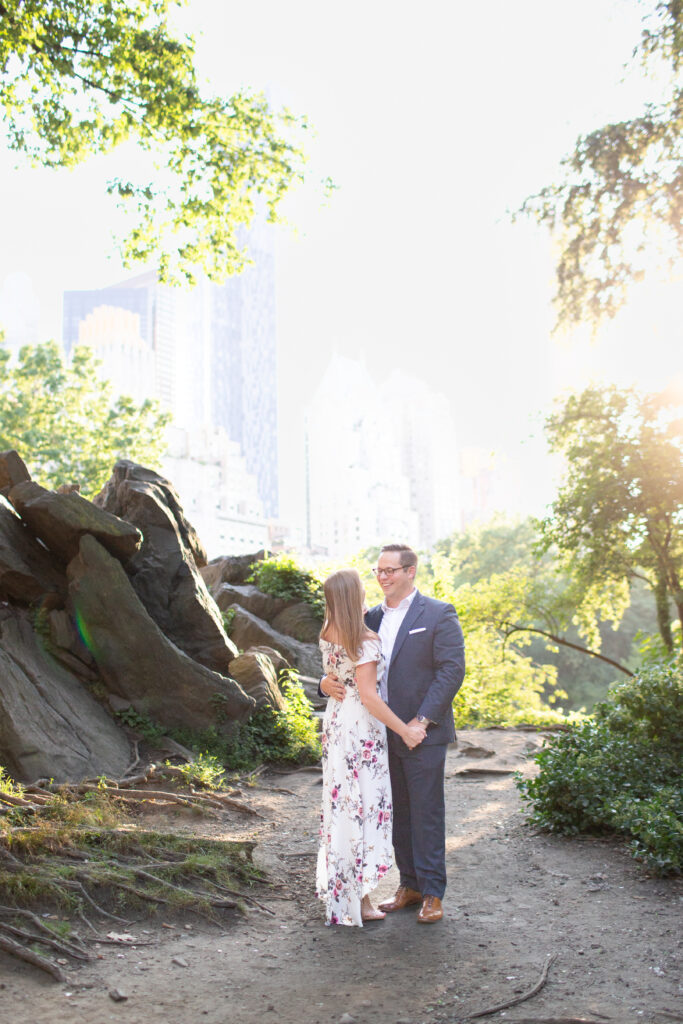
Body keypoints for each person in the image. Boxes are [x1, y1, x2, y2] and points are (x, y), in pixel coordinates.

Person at [321, 544, 465, 924]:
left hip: (421, 733)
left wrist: (421, 722)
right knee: (395, 812)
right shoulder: (366, 616)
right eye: (379, 571)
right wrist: (323, 682)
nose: (383, 577)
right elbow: (342, 661)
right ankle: (410, 885)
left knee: (427, 812)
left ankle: (433, 893)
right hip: (375, 735)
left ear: (410, 571)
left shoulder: (438, 613)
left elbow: (450, 672)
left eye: (391, 570)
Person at [316, 568, 427, 927]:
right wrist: (404, 730)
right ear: (354, 598)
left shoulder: (328, 632)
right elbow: (368, 696)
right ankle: (359, 900)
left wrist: (323, 684)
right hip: (359, 728)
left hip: (336, 721)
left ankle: (346, 892)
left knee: (344, 806)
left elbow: (336, 679)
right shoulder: (365, 640)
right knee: (360, 806)